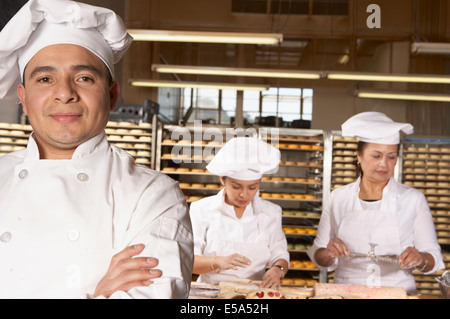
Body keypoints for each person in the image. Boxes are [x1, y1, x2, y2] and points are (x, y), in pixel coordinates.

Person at [0, 0, 193, 298]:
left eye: (84, 78)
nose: (64, 93)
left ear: (112, 95)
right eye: (45, 78)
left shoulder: (152, 195)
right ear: (23, 98)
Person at [308, 112, 445, 293]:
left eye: (391, 157)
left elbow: (433, 258)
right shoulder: (339, 197)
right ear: (359, 156)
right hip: (345, 293)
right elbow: (319, 255)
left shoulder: (413, 199)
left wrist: (421, 258)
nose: (384, 164)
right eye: (376, 156)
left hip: (396, 292)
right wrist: (329, 252)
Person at [190, 136, 289, 289]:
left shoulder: (272, 212)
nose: (244, 194)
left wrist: (277, 270)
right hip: (210, 292)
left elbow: (280, 255)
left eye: (252, 187)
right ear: (222, 180)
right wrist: (216, 262)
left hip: (255, 293)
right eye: (236, 187)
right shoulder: (201, 209)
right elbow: (189, 261)